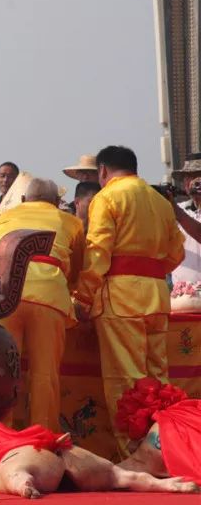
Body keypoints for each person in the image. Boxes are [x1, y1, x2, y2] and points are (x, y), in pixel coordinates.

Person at [74, 146, 184, 458]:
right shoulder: (160, 202)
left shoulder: (108, 197)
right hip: (156, 295)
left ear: (103, 171)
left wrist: (83, 295)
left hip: (122, 298)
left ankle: (133, 456)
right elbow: (176, 253)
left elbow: (98, 251)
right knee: (158, 378)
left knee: (126, 380)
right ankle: (166, 449)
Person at [0, 178, 85, 431]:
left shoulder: (4, 218)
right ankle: (42, 437)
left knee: (3, 372)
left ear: (23, 200)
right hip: (49, 299)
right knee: (45, 375)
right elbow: (77, 270)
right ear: (56, 202)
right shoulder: (71, 222)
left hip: (4, 299)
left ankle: (0, 437)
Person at [170, 154, 201, 285]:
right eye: (187, 177)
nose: (190, 182)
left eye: (195, 176)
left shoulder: (177, 211)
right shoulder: (178, 209)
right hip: (183, 296)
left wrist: (176, 210)